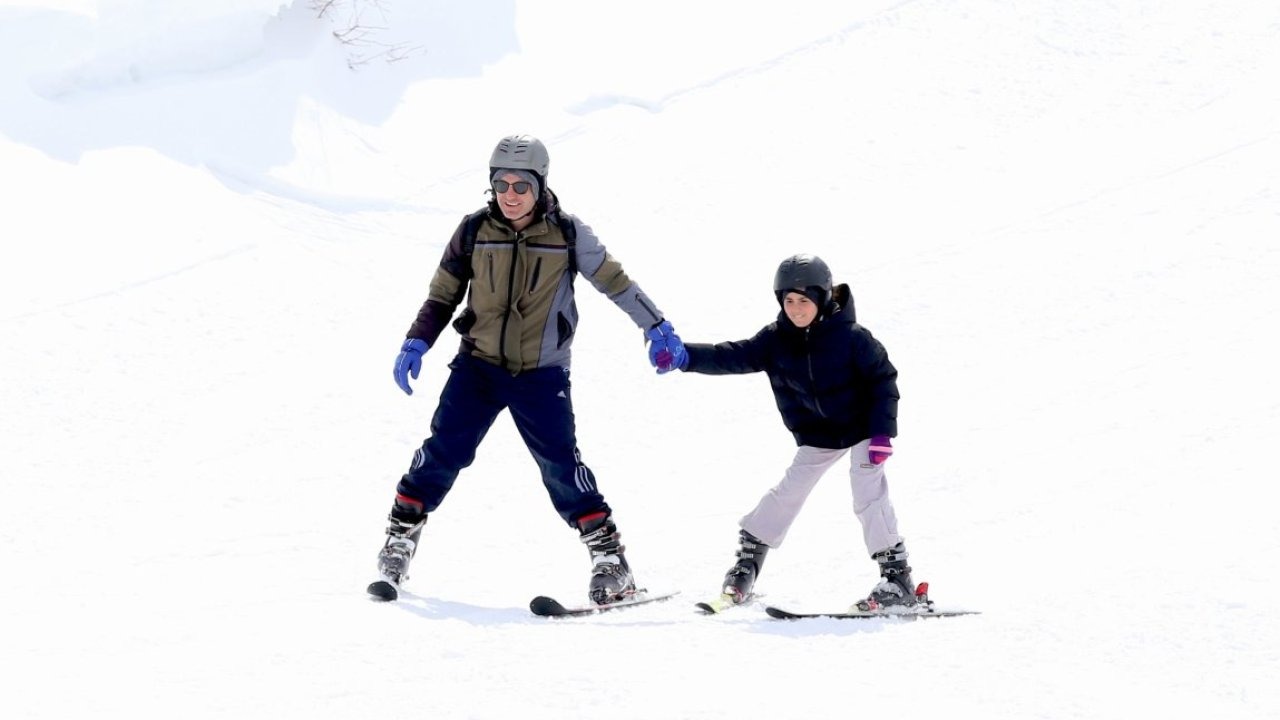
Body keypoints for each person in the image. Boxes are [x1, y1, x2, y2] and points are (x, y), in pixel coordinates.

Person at [369, 134, 686, 604]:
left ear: (540, 186)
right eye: (501, 184)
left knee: (561, 465)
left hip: (541, 373)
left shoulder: (569, 234)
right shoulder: (474, 231)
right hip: (477, 367)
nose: (511, 194)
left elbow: (616, 282)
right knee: (442, 452)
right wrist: (418, 340)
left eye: (522, 184)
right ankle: (399, 540)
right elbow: (443, 293)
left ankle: (611, 561)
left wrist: (655, 325)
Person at [653, 253, 919, 611]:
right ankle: (748, 560)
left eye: (803, 301)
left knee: (867, 487)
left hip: (863, 428)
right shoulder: (776, 340)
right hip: (819, 435)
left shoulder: (852, 337)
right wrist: (686, 357)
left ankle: (897, 577)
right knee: (789, 492)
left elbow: (883, 379)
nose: (795, 309)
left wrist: (883, 433)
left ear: (822, 298)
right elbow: (732, 356)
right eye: (788, 301)